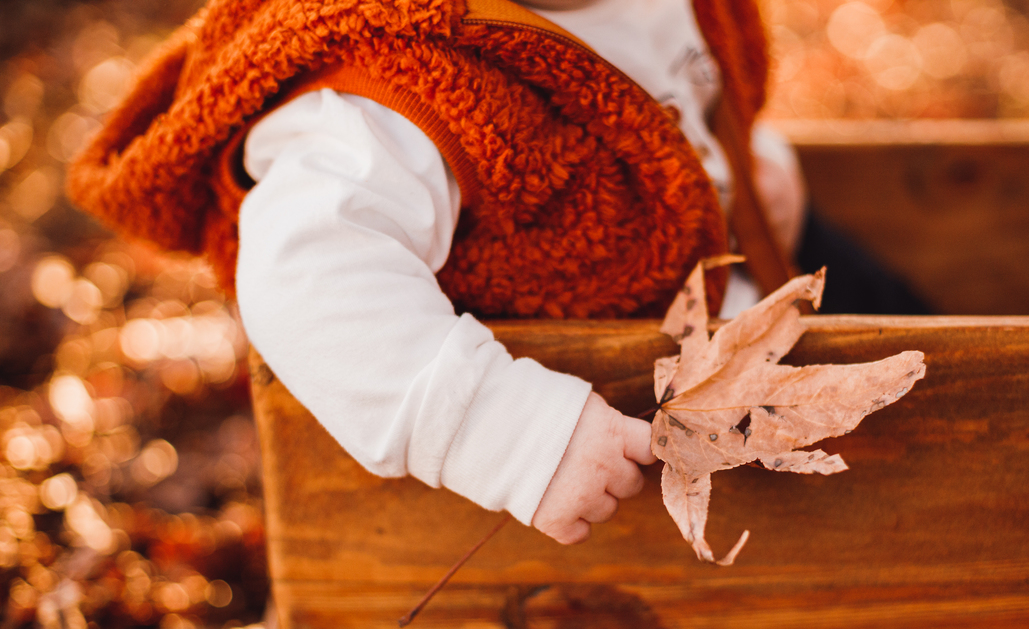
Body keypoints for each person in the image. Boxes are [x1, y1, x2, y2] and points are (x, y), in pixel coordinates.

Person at [68, 0, 925, 548]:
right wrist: (507, 432)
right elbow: (307, 274)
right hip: (631, 405)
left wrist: (748, 166)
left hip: (739, 279)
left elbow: (675, 99)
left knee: (928, 337)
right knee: (921, 461)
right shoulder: (395, 89)